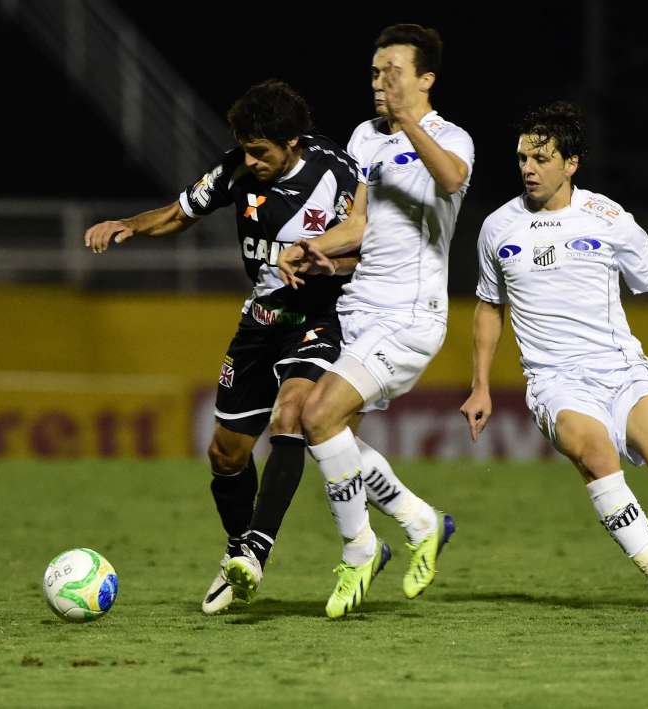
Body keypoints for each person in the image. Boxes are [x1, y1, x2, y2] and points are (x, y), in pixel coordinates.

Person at [84, 79, 437, 615]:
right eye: (244, 148)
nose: (249, 160)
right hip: (260, 321)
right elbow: (181, 212)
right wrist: (127, 226)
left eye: (260, 151)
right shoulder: (238, 167)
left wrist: (326, 262)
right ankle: (238, 548)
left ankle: (256, 551)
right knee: (226, 454)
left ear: (293, 141)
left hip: (320, 316)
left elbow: (371, 248)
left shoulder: (337, 175)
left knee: (292, 415)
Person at [459, 101, 648, 612]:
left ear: (571, 164)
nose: (527, 168)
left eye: (541, 158)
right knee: (594, 454)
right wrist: (479, 384)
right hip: (555, 382)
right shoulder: (498, 228)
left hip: (623, 371)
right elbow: (487, 307)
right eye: (522, 157)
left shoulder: (608, 218)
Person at [278, 24, 474, 618]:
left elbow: (453, 180)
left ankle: (360, 549)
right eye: (373, 71)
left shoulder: (450, 137)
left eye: (392, 71)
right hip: (358, 307)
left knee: (317, 414)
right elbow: (359, 223)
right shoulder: (364, 137)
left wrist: (408, 122)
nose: (379, 81)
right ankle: (420, 521)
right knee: (330, 433)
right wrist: (314, 247)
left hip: (411, 317)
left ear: (425, 79)